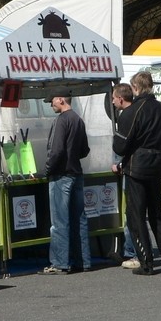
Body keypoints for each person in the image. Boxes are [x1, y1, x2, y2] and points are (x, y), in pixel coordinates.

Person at [113, 71, 161, 275]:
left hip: (137, 166)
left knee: (136, 215)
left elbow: (120, 146)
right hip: (157, 163)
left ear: (136, 88)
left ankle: (146, 262)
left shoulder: (133, 111)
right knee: (156, 213)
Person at [38, 87, 91, 275]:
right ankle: (83, 261)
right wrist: (73, 155)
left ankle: (60, 262)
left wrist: (46, 170)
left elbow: (56, 150)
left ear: (61, 99)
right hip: (77, 174)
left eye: (52, 100)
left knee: (59, 222)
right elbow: (85, 150)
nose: (51, 104)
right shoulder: (78, 119)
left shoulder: (61, 120)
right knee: (79, 219)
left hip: (61, 175)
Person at [109, 83, 139, 269]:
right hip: (140, 167)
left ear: (121, 98)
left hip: (132, 168)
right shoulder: (137, 112)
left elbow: (122, 143)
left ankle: (132, 252)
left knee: (132, 213)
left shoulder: (126, 116)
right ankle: (135, 251)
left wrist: (116, 161)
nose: (112, 101)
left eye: (113, 98)